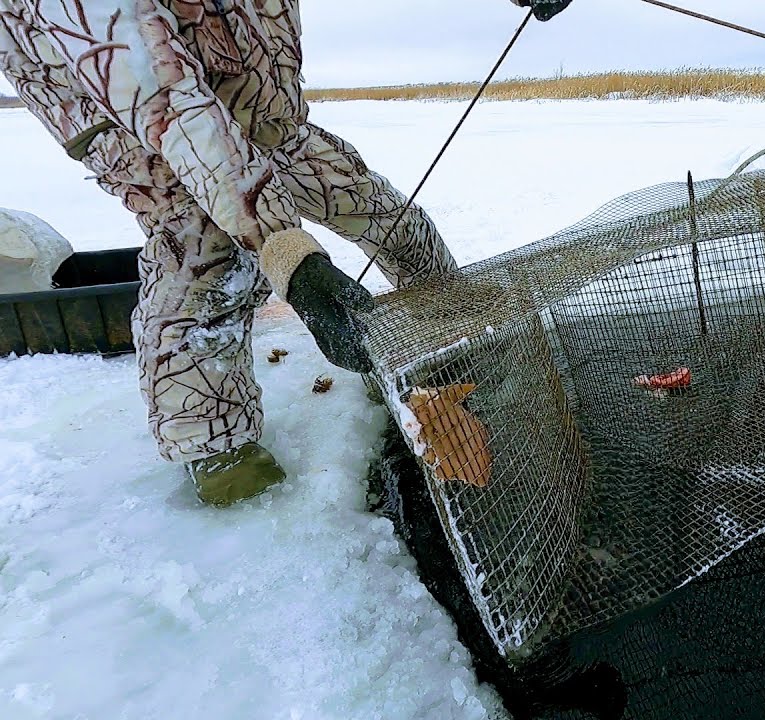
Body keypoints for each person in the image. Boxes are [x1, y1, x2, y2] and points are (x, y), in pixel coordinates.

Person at [0, 0, 573, 506]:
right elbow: (167, 99)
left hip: (268, 113)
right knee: (207, 255)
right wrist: (291, 258)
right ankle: (219, 452)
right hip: (146, 129)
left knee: (382, 212)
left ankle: (447, 346)